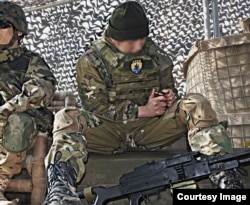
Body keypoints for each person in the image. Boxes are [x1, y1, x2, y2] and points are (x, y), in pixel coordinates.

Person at [43, 1, 243, 204]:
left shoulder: (156, 56)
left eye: (141, 39)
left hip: (150, 131)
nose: (138, 46)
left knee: (195, 103)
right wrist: (140, 110)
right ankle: (61, 190)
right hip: (110, 132)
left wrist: (169, 98)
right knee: (66, 116)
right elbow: (96, 107)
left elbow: (170, 89)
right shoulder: (91, 61)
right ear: (114, 38)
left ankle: (225, 177)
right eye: (131, 42)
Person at [0, 1, 56, 204]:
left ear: (19, 31)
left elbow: (43, 89)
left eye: (2, 24)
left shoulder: (30, 61)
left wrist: (11, 106)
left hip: (23, 126)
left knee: (17, 122)